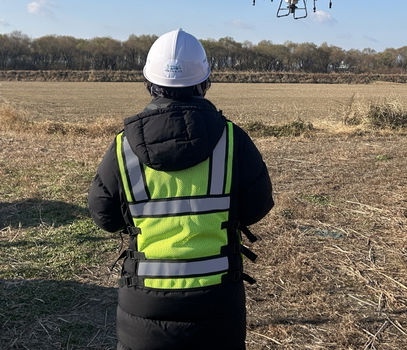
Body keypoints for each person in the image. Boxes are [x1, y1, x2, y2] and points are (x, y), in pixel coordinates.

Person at [88, 28, 274, 350]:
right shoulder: (233, 140)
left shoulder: (123, 147)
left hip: (144, 305)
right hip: (218, 303)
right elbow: (258, 205)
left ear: (149, 82)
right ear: (205, 81)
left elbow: (104, 215)